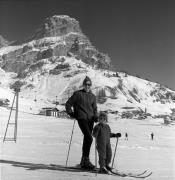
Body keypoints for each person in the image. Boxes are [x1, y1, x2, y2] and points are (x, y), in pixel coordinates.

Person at [65, 76, 98, 170]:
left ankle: (84, 161)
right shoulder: (78, 94)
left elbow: (95, 108)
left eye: (89, 85)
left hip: (90, 119)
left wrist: (95, 116)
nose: (87, 86)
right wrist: (70, 113)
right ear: (83, 85)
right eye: (86, 84)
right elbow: (68, 104)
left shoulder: (92, 96)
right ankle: (86, 160)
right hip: (81, 118)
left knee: (86, 140)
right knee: (89, 138)